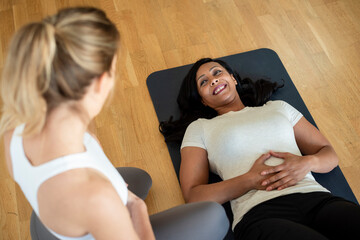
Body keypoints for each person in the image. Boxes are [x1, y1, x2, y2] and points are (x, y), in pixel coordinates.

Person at [0, 8, 229, 240]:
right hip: (85, 214)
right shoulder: (98, 198)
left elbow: (90, 153)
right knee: (215, 217)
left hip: (46, 216)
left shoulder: (13, 128)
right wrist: (136, 207)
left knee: (141, 179)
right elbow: (103, 199)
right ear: (100, 83)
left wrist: (117, 188)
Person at [160, 58, 360, 240]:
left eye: (217, 72)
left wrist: (306, 163)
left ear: (233, 78)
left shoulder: (278, 107)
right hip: (260, 214)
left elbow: (329, 153)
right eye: (203, 82)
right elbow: (194, 196)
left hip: (316, 199)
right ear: (202, 100)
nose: (212, 80)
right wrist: (250, 180)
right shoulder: (200, 128)